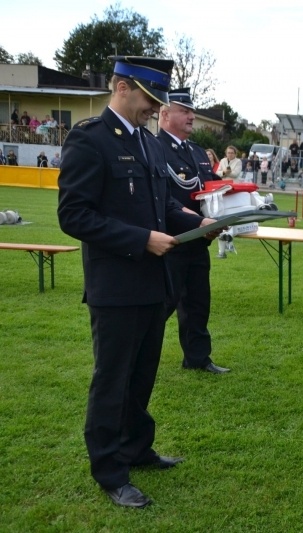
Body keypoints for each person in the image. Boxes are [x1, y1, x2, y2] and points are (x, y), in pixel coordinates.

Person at [57, 56, 217, 509]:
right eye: (150, 98)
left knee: (142, 375)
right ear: (121, 86)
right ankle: (110, 470)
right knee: (113, 380)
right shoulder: (89, 139)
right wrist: (140, 239)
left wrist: (200, 221)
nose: (155, 108)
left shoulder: (147, 143)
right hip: (116, 286)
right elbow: (73, 215)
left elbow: (161, 203)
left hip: (153, 283)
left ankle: (136, 449)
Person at [156, 87, 229, 375]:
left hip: (199, 240)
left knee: (198, 302)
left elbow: (215, 188)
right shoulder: (154, 148)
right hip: (171, 240)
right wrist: (197, 223)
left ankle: (197, 357)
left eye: (191, 111)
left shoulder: (197, 152)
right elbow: (163, 198)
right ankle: (136, 352)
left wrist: (244, 204)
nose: (191, 116)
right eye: (184, 111)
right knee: (162, 305)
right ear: (165, 114)